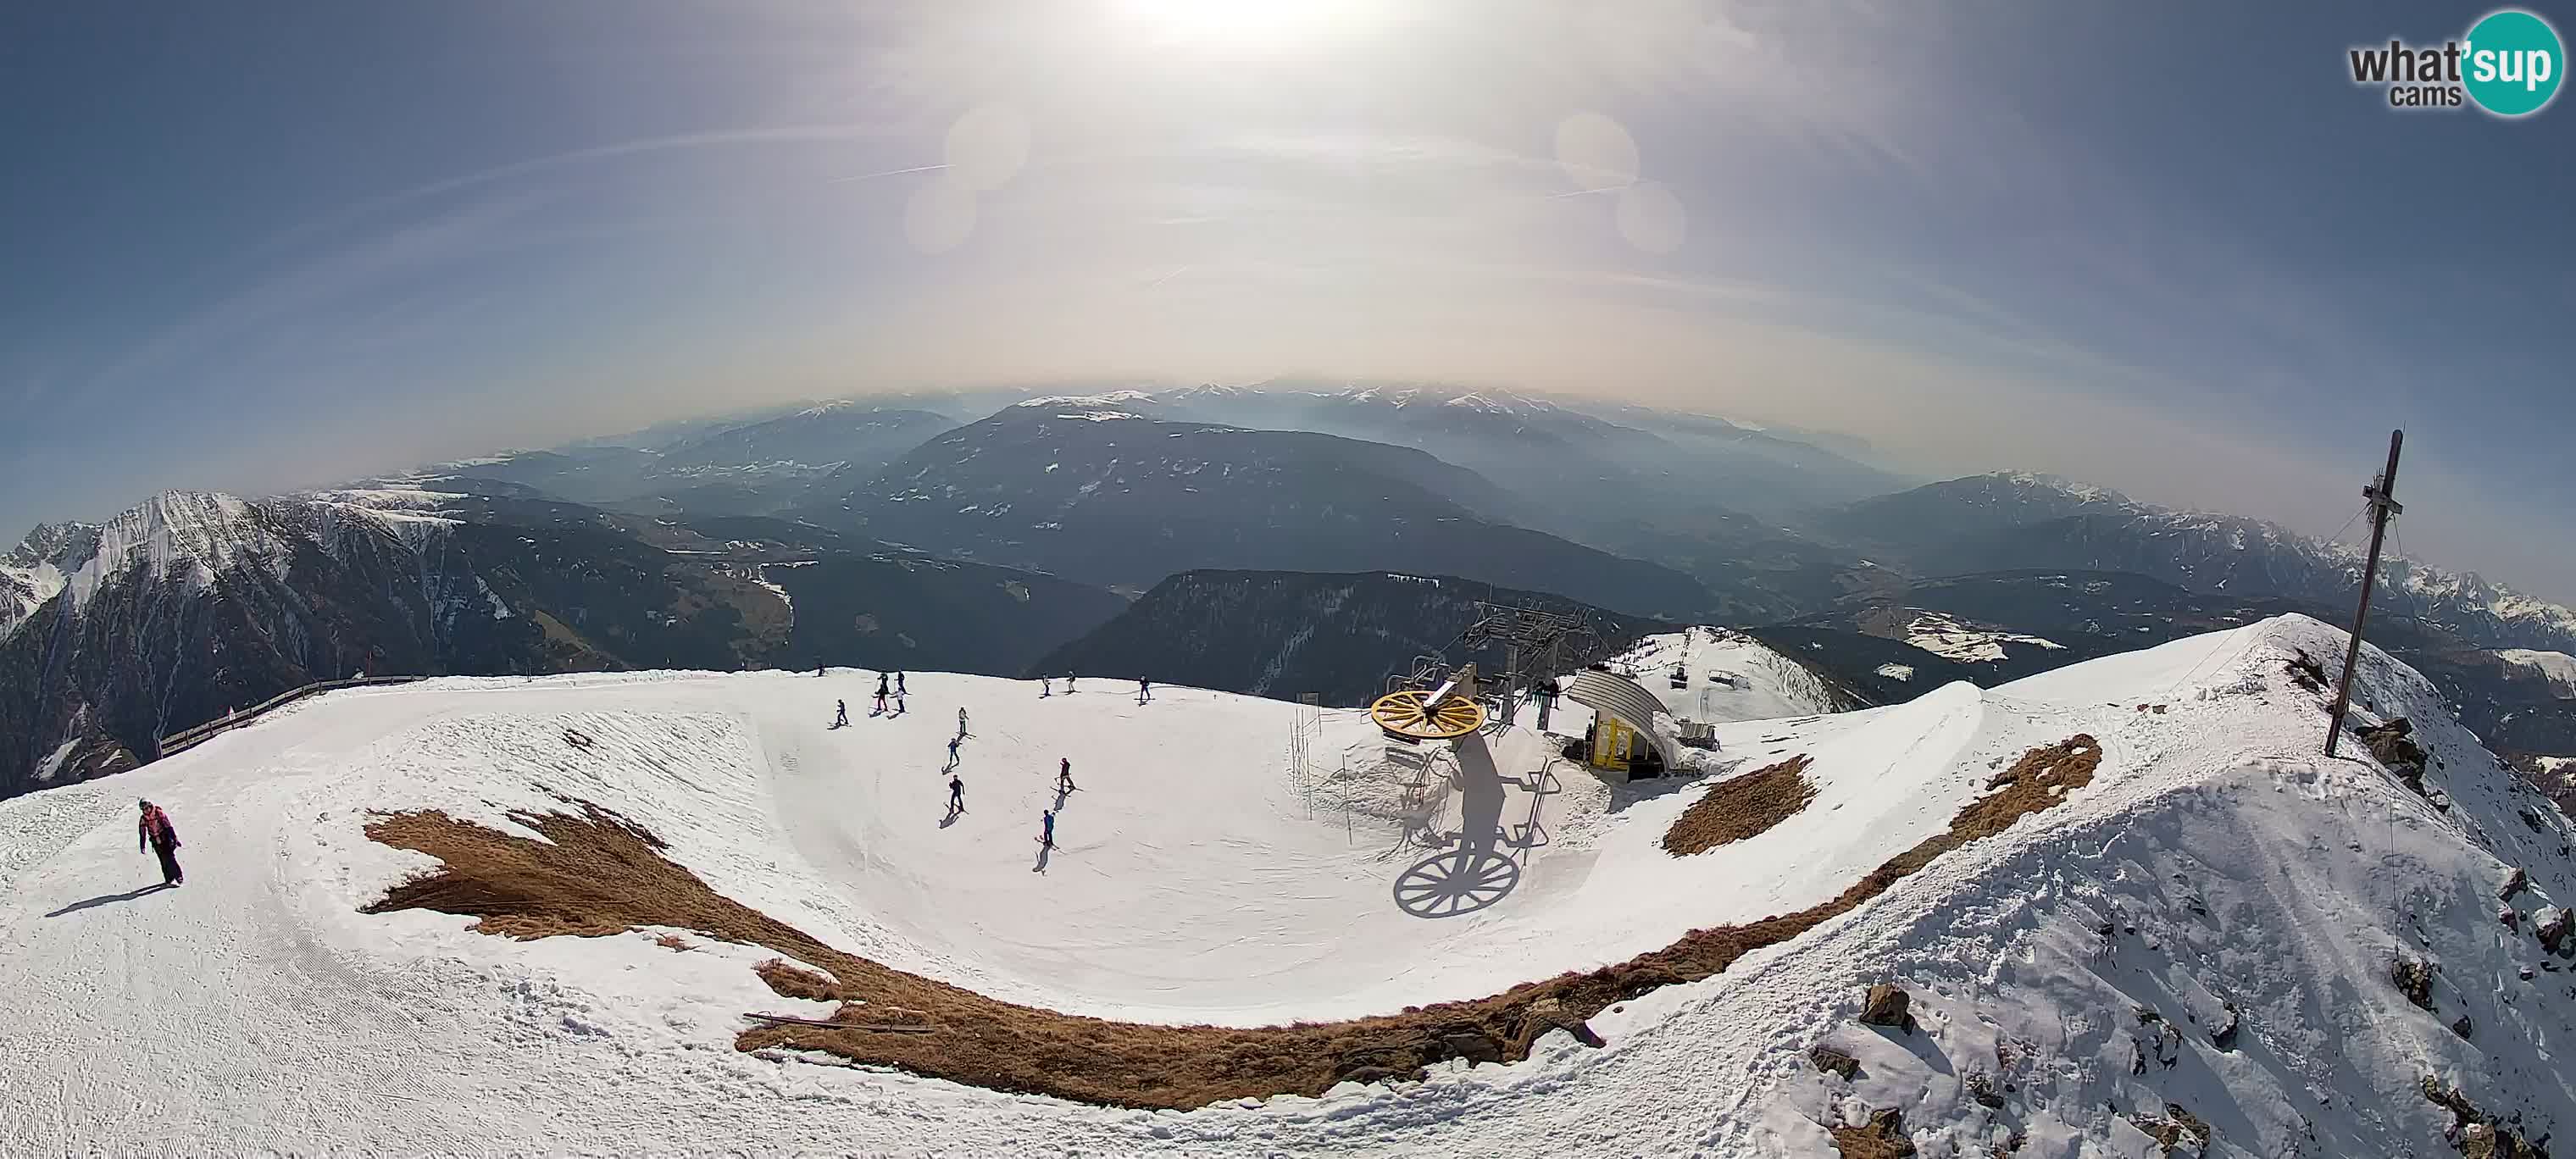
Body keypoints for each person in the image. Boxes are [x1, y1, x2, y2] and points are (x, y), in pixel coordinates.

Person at [137, 800, 182, 886]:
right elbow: (142, 832)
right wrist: (142, 845)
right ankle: (169, 879)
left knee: (170, 858)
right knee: (163, 860)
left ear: (150, 806)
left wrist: (174, 839)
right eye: (143, 809)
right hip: (155, 841)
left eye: (147, 808)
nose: (146, 811)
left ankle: (178, 876)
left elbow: (168, 827)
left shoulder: (158, 813)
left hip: (165, 839)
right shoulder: (143, 819)